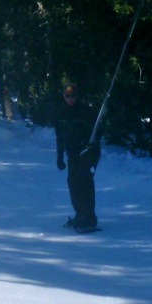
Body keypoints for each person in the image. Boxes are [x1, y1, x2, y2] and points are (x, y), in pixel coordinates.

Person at [54, 82, 100, 232]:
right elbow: (60, 137)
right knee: (73, 182)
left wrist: (90, 143)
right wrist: (60, 157)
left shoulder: (86, 111)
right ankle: (80, 214)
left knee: (84, 181)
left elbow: (97, 130)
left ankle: (89, 217)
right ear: (63, 96)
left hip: (87, 152)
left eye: (73, 96)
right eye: (67, 96)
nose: (71, 99)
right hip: (73, 153)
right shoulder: (61, 113)